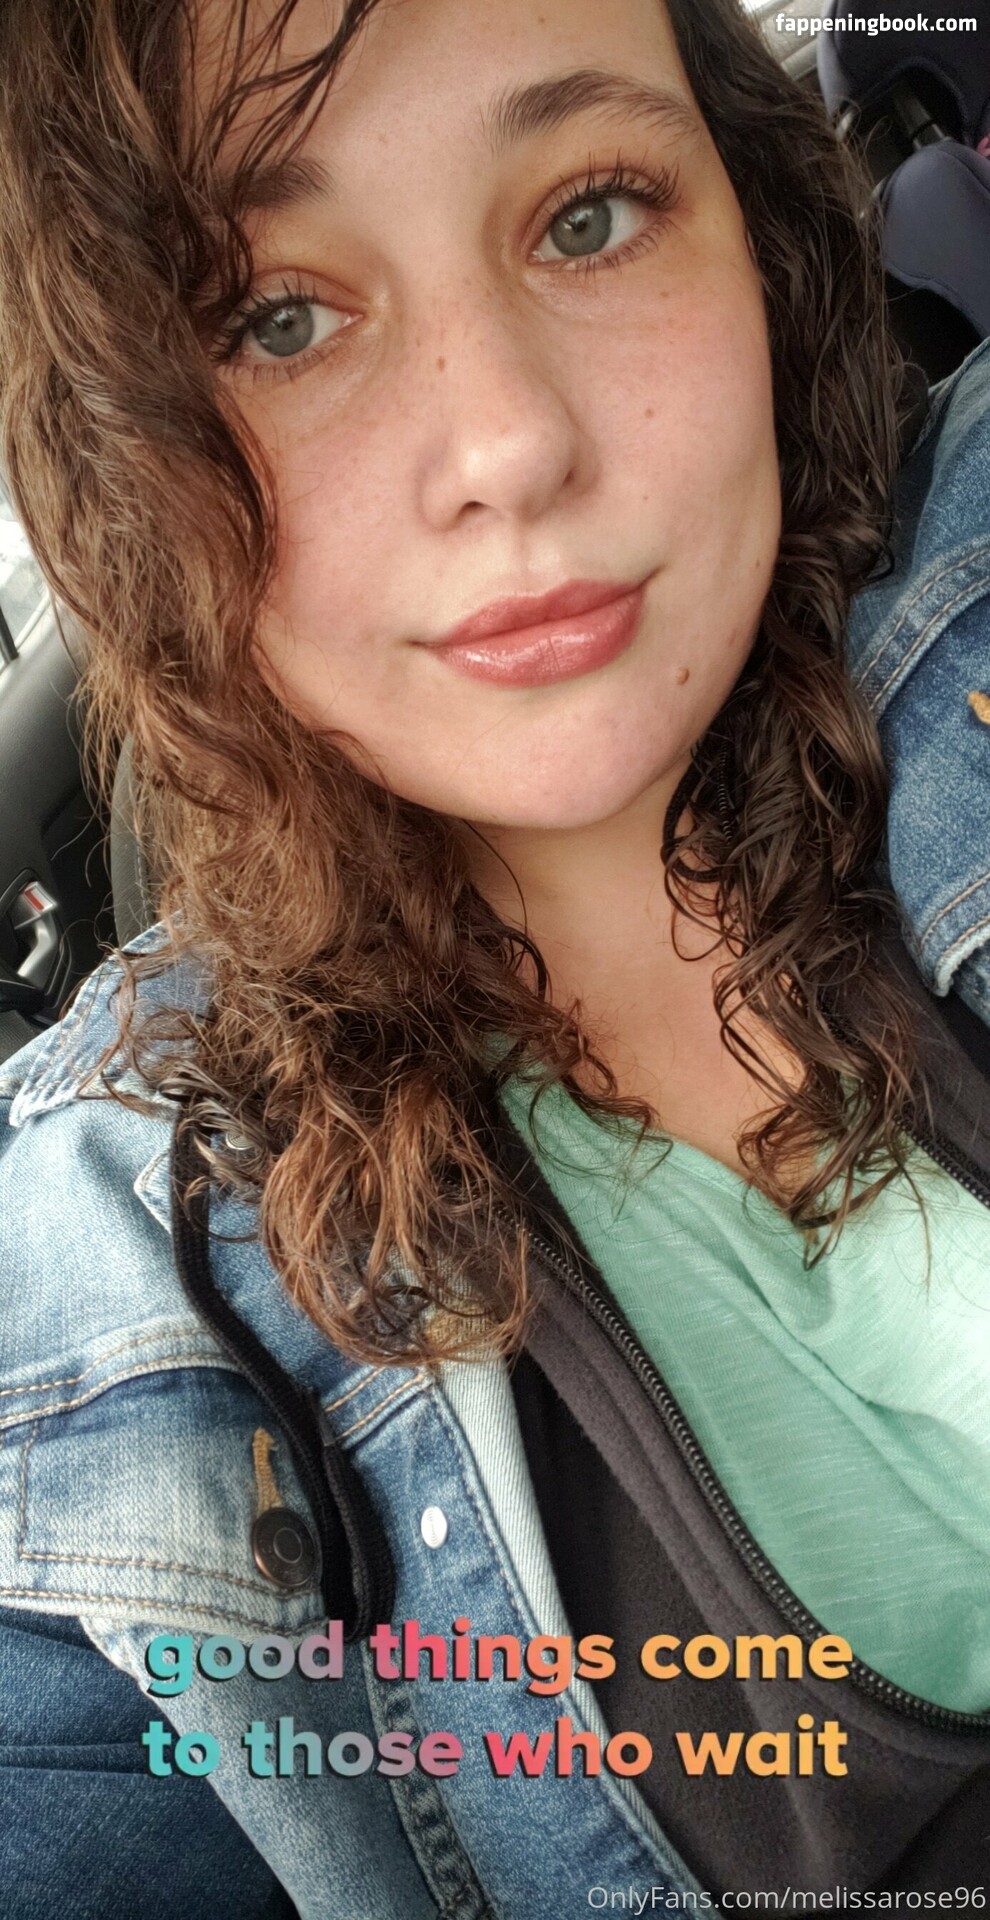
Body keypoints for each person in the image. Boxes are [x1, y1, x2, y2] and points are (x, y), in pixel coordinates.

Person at [0, 0, 988, 1915]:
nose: (510, 445)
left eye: (589, 216)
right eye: (277, 318)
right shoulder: (98, 1295)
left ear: (754, 226)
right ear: (120, 453)